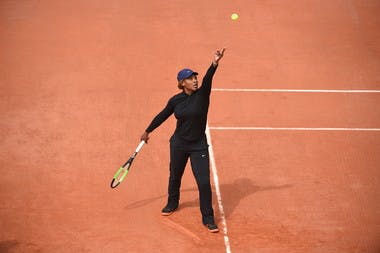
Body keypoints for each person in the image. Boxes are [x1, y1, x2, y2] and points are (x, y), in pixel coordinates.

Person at [140, 48, 226, 233]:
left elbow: (208, 78)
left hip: (198, 145)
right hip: (179, 143)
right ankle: (172, 203)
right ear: (182, 83)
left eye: (195, 77)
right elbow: (163, 115)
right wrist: (148, 130)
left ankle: (208, 218)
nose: (195, 80)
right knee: (175, 175)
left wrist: (215, 62)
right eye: (190, 78)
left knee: (203, 182)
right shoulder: (175, 101)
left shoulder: (202, 95)